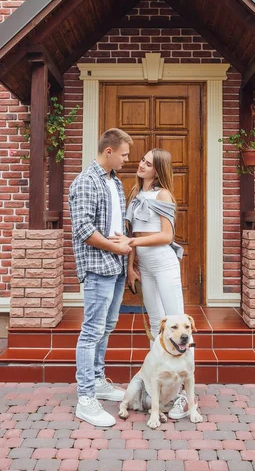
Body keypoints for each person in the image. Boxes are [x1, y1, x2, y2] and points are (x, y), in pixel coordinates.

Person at [113, 148, 190, 420]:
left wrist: (132, 243)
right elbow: (133, 232)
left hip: (164, 263)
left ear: (158, 169)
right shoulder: (135, 195)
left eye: (148, 163)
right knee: (158, 325)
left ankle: (183, 395)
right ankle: (158, 387)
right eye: (142, 160)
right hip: (144, 265)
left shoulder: (163, 195)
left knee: (178, 324)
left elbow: (166, 236)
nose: (141, 165)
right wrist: (132, 266)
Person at [69, 128, 133, 427]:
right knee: (92, 330)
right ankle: (85, 398)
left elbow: (116, 224)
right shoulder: (86, 181)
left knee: (106, 327)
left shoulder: (115, 182)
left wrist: (125, 253)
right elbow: (83, 229)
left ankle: (96, 380)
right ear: (109, 152)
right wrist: (115, 246)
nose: (127, 159)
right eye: (124, 154)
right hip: (98, 265)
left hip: (117, 265)